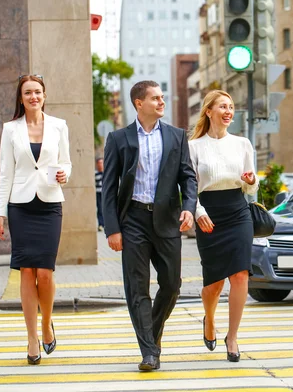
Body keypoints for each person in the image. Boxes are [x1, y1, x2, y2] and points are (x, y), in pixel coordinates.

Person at [101, 80, 197, 371]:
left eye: (162, 97)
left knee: (171, 284)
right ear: (138, 103)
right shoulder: (118, 139)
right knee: (137, 287)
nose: (161, 102)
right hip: (133, 221)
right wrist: (112, 228)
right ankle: (149, 352)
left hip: (167, 219)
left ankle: (151, 337)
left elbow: (188, 177)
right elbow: (108, 188)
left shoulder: (177, 136)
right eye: (155, 98)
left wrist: (189, 208)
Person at [0, 74, 71, 365]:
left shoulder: (59, 126)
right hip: (21, 206)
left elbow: (66, 162)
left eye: (37, 92)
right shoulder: (10, 130)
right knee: (26, 271)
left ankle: (47, 323)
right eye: (28, 93)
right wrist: (0, 212)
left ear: (44, 95)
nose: (33, 97)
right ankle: (31, 338)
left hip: (50, 203)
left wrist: (66, 173)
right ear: (21, 97)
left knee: (45, 273)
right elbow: (6, 173)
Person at [188, 90, 258, 363]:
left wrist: (251, 179)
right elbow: (189, 185)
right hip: (208, 213)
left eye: (231, 107)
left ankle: (232, 336)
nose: (229, 112)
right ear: (209, 111)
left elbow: (251, 186)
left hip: (238, 211)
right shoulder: (194, 146)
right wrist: (196, 211)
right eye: (223, 107)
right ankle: (209, 318)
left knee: (240, 275)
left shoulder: (242, 143)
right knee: (214, 283)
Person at [95, 157, 104, 231]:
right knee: (100, 209)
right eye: (99, 163)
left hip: (105, 193)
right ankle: (101, 224)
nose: (100, 165)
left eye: (101, 163)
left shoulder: (107, 172)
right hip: (98, 193)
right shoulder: (95, 173)